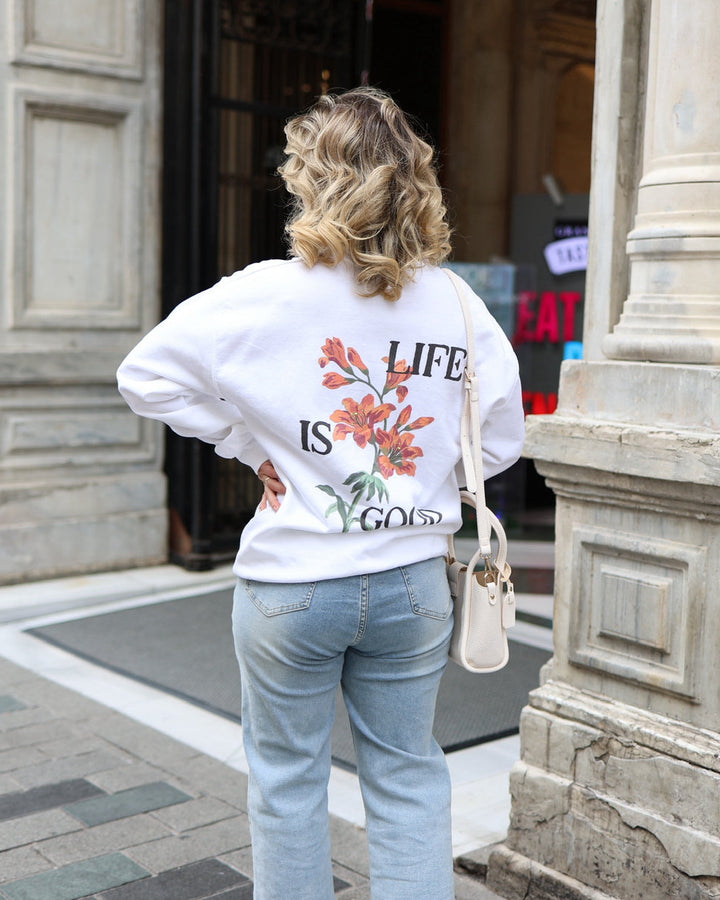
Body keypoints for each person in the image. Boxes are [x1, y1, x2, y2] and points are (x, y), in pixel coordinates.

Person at [117, 87, 524, 900]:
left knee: (287, 783)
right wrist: (412, 473)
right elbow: (503, 440)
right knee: (409, 776)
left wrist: (249, 444)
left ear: (312, 177)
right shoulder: (453, 300)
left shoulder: (262, 292)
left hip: (292, 582)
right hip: (412, 580)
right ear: (414, 181)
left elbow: (145, 377)